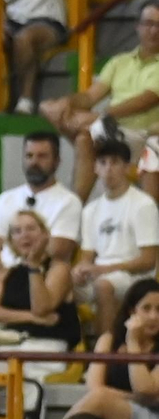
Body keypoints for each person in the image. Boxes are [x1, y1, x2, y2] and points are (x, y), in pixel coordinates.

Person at [41, 0, 159, 200]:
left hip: (143, 133)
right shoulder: (119, 62)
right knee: (54, 112)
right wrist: (66, 103)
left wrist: (103, 115)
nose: (154, 31)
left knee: (86, 133)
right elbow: (89, 97)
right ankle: (77, 205)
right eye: (149, 24)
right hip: (113, 131)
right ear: (137, 26)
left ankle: (77, 201)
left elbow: (147, 100)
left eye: (158, 25)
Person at [49, 284, 159, 419]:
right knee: (97, 401)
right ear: (132, 311)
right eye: (146, 308)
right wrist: (135, 398)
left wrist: (132, 342)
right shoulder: (108, 340)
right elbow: (94, 387)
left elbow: (145, 388)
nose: (153, 316)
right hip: (112, 414)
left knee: (100, 399)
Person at [0, 210, 78, 381]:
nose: (25, 235)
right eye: (17, 231)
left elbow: (42, 308)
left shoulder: (58, 269)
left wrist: (34, 268)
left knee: (3, 362)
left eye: (31, 229)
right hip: (9, 339)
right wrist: (33, 318)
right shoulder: (5, 274)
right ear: (11, 240)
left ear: (45, 235)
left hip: (46, 342)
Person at [77, 139, 159, 337]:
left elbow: (148, 260)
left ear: (127, 168)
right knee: (61, 282)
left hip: (134, 277)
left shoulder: (143, 205)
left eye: (114, 162)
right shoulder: (90, 210)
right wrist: (79, 270)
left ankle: (105, 350)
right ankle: (65, 344)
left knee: (103, 286)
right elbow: (87, 256)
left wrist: (104, 270)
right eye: (103, 162)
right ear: (95, 168)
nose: (108, 169)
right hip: (100, 273)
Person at [0, 131, 83, 272]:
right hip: (4, 275)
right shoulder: (6, 198)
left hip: (42, 275)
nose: (34, 162)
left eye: (42, 156)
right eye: (29, 156)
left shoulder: (69, 201)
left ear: (57, 161)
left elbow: (57, 251)